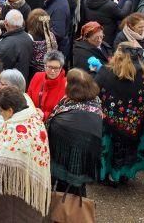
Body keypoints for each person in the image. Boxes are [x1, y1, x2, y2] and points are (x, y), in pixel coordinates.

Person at [0, 85, 51, 222]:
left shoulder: (13, 130)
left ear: (10, 110)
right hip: (32, 194)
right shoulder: (34, 119)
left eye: (1, 111)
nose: (0, 115)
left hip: (13, 199)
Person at [94, 42, 144, 185]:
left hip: (110, 121)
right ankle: (122, 174)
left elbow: (94, 90)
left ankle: (108, 175)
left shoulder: (106, 72)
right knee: (126, 148)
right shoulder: (142, 73)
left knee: (110, 148)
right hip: (133, 121)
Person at [47, 68, 103, 196]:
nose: (65, 83)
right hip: (86, 159)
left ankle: (66, 214)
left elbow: (53, 132)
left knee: (66, 192)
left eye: (67, 81)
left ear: (73, 87)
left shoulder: (64, 117)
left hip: (67, 159)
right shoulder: (95, 101)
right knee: (78, 190)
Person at [26, 49, 66, 121]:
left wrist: (45, 115)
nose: (52, 71)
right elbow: (28, 98)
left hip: (54, 123)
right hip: (33, 120)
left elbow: (65, 111)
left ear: (61, 68)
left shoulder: (66, 84)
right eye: (50, 67)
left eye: (56, 68)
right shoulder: (37, 76)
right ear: (44, 66)